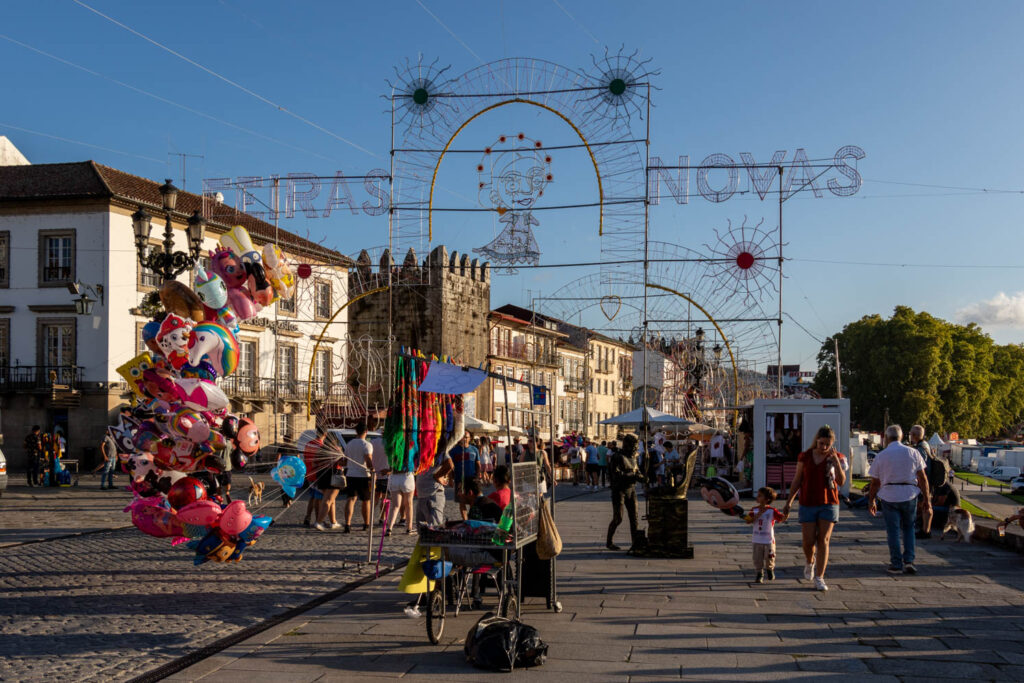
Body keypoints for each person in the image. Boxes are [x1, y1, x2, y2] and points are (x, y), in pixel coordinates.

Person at [781, 424, 846, 591]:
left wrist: (836, 462)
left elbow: (841, 481)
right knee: (808, 541)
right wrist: (789, 501)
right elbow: (797, 480)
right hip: (808, 501)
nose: (824, 447)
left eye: (827, 444)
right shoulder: (805, 456)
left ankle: (820, 577)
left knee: (823, 540)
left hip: (829, 502)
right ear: (816, 441)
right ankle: (810, 561)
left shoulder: (837, 457)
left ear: (832, 444)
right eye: (821, 443)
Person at [867, 424, 930, 575]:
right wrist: (927, 499)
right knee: (909, 528)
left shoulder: (882, 455)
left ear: (887, 438)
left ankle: (896, 563)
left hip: (889, 494)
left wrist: (871, 500)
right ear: (902, 437)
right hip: (909, 493)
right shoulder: (913, 452)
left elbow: (875, 482)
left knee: (893, 531)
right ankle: (909, 560)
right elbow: (923, 478)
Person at [607, 436, 644, 552]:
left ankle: (635, 543)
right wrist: (633, 475)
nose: (635, 449)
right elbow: (616, 474)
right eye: (633, 447)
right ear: (626, 445)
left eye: (636, 447)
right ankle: (609, 542)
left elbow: (638, 472)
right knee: (618, 518)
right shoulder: (617, 457)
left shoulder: (633, 457)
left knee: (634, 518)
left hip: (631, 490)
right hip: (619, 490)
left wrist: (643, 478)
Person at [746, 486, 784, 584]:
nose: (757, 497)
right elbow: (748, 520)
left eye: (760, 496)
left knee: (770, 557)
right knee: (757, 558)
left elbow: (781, 519)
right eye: (758, 495)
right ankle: (759, 573)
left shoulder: (772, 510)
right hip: (757, 539)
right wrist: (758, 514)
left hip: (769, 540)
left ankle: (770, 569)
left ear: (767, 499)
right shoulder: (754, 510)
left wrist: (785, 514)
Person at [343, 421, 374, 533]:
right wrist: (372, 469)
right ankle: (366, 523)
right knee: (366, 500)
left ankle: (347, 524)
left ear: (356, 431)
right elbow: (368, 459)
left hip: (350, 474)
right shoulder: (367, 445)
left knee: (351, 499)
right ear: (366, 431)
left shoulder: (349, 444)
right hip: (363, 475)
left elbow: (345, 461)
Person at [416, 441, 453, 528]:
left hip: (433, 495)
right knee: (422, 531)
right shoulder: (421, 449)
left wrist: (437, 475)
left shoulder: (438, 449)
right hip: (422, 496)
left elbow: (449, 464)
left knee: (434, 530)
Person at [909, 424, 936, 539]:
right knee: (925, 504)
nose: (910, 435)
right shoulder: (925, 445)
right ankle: (925, 529)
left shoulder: (920, 448)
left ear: (914, 435)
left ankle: (926, 530)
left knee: (925, 504)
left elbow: (921, 467)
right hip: (928, 479)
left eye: (911, 433)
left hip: (925, 480)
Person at [314, 432, 345, 530]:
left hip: (322, 476)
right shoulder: (336, 450)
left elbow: (315, 463)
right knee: (328, 500)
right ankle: (318, 522)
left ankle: (333, 522)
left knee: (331, 500)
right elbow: (342, 462)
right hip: (333, 476)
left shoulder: (320, 450)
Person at [450, 432, 480, 520]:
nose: (464, 439)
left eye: (466, 437)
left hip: (472, 480)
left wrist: (478, 476)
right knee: (462, 502)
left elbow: (478, 464)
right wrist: (451, 479)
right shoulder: (454, 451)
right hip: (459, 480)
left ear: (470, 438)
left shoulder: (474, 450)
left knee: (473, 501)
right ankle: (465, 520)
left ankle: (472, 519)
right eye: (463, 437)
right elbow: (450, 466)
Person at [301, 427, 326, 526]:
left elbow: (305, 458)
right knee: (318, 498)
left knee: (312, 497)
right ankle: (318, 520)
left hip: (309, 473)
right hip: (317, 474)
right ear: (325, 435)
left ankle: (307, 517)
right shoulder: (321, 446)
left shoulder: (308, 444)